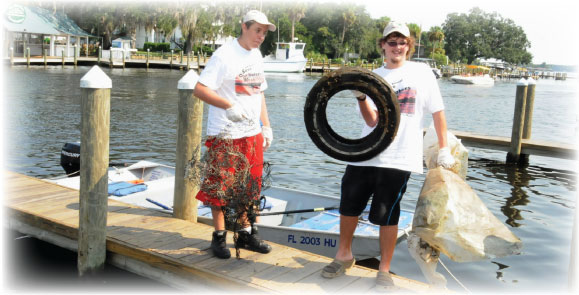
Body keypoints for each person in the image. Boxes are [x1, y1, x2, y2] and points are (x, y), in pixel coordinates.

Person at [320, 21, 455, 289]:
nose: (397, 47)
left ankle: (384, 269)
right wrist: (360, 97)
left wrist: (443, 148)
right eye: (391, 42)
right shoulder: (372, 76)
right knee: (349, 205)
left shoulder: (422, 73)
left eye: (402, 42)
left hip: (400, 157)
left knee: (387, 213)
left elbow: (438, 112)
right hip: (365, 152)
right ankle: (343, 255)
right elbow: (371, 122)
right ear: (383, 45)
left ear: (409, 46)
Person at [193, 10, 275, 259]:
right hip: (226, 135)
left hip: (252, 133)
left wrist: (266, 126)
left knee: (249, 187)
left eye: (263, 32)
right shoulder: (224, 55)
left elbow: (259, 93)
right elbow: (199, 89)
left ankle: (246, 234)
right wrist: (228, 106)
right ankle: (219, 237)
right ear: (244, 27)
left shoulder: (257, 55)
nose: (260, 36)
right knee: (221, 187)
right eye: (256, 30)